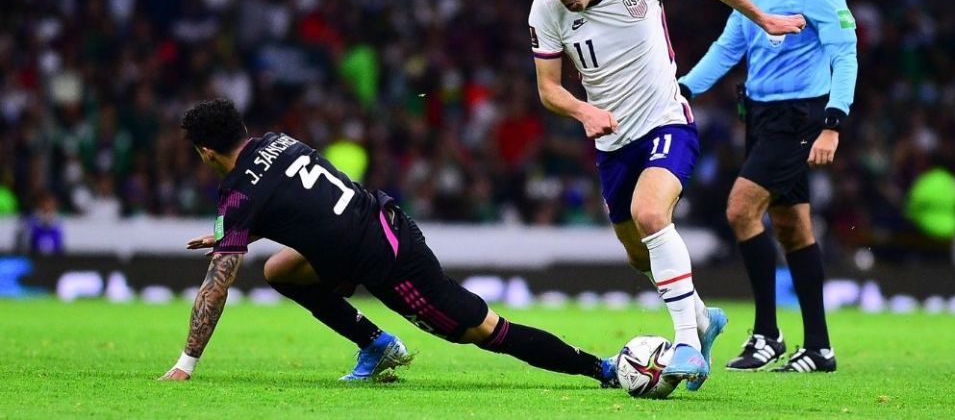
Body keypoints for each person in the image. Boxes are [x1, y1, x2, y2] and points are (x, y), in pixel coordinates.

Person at [526, 0, 806, 390]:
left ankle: (688, 347)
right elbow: (549, 90)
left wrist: (761, 18)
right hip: (612, 143)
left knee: (651, 215)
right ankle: (701, 318)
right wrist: (582, 112)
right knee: (640, 256)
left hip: (665, 121)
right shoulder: (545, 9)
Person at [159, 99, 617, 387]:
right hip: (370, 226)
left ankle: (601, 368)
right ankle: (376, 344)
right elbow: (295, 202)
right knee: (279, 269)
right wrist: (233, 233)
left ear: (206, 153)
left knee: (481, 331)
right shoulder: (279, 142)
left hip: (390, 259)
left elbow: (215, 288)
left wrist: (187, 363)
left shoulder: (238, 194)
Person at [678, 0, 858, 373]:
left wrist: (832, 123)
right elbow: (727, 47)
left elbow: (845, 54)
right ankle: (819, 348)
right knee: (793, 228)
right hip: (759, 118)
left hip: (801, 118)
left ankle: (767, 334)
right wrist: (684, 89)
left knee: (740, 209)